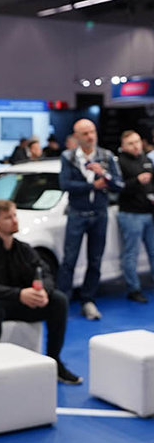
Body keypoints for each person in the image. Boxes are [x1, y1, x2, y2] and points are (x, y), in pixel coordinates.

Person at [0, 200, 82, 385]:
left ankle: (55, 361)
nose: (14, 221)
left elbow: (45, 273)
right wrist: (19, 294)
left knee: (59, 300)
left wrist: (43, 292)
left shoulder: (24, 249)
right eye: (8, 217)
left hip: (21, 304)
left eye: (15, 215)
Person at [57, 118, 124, 320]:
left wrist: (103, 174)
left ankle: (88, 300)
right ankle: (61, 302)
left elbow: (119, 185)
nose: (90, 136)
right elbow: (65, 184)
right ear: (77, 136)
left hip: (100, 213)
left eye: (92, 132)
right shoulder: (68, 157)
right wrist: (91, 186)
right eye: (85, 133)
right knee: (69, 259)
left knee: (95, 260)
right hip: (77, 213)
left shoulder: (106, 156)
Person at [115, 130, 154, 303]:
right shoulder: (120, 163)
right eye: (131, 143)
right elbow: (117, 187)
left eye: (137, 141)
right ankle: (133, 288)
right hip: (131, 214)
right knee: (131, 253)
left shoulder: (146, 159)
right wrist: (137, 181)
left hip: (148, 212)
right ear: (124, 146)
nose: (136, 145)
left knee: (153, 251)